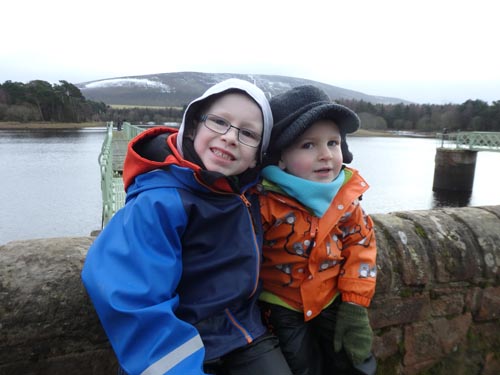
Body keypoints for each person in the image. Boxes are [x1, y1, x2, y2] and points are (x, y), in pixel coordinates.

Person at [82, 79, 292, 375]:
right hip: (178, 341)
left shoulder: (248, 194)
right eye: (219, 122)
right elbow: (129, 296)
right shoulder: (159, 202)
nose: (231, 137)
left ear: (259, 154)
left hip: (244, 332)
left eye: (248, 133)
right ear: (193, 127)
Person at [257, 85, 377, 375]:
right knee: (301, 367)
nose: (325, 155)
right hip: (281, 306)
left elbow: (361, 248)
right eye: (308, 145)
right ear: (281, 157)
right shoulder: (264, 203)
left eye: (333, 143)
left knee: (352, 362)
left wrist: (355, 304)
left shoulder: (345, 199)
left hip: (331, 297)